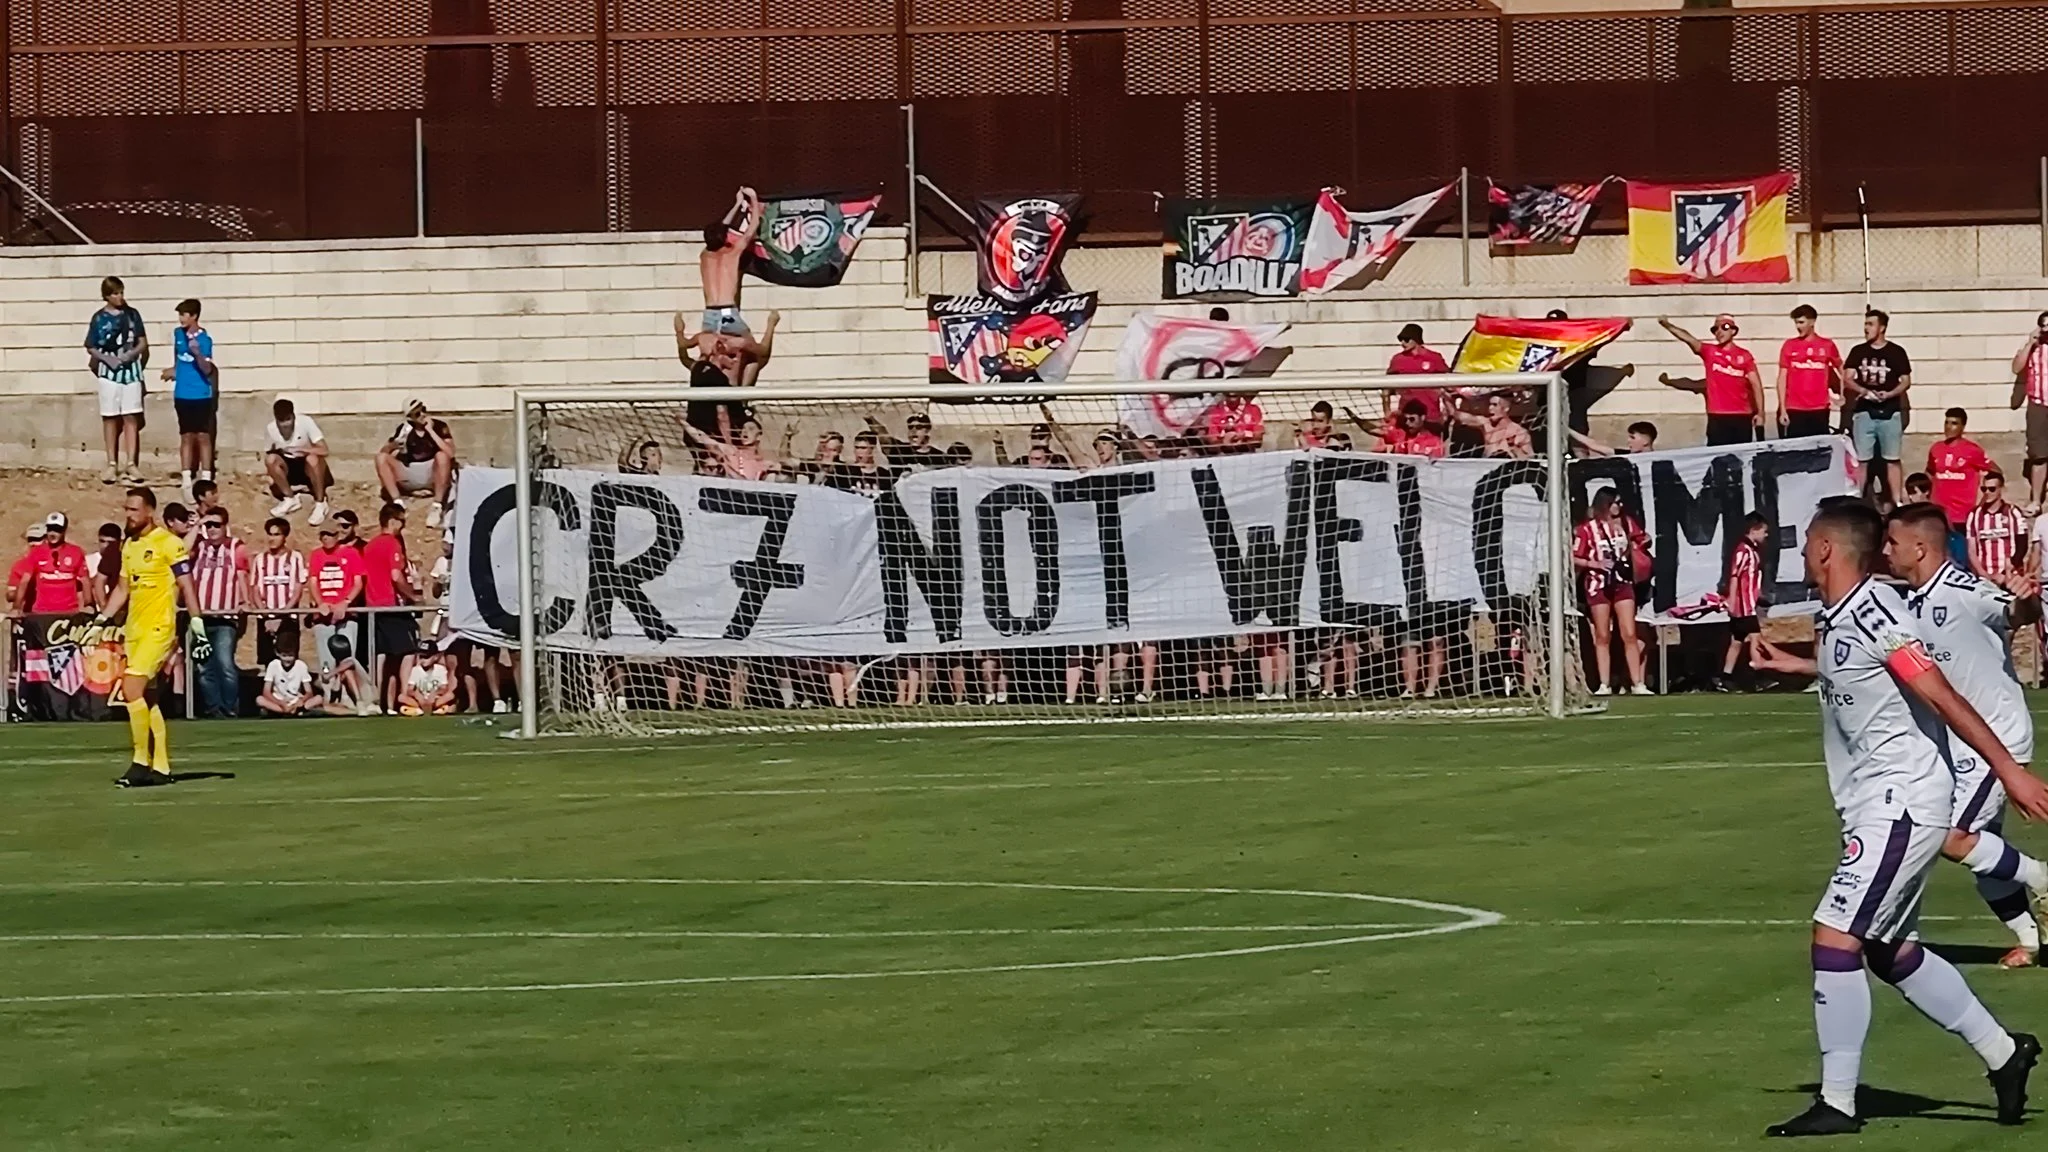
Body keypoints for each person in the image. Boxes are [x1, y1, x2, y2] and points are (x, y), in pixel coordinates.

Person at [1750, 499, 2048, 1136]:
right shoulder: (1842, 616)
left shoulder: (1877, 611)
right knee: (1889, 950)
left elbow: (1938, 692)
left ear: (1827, 550)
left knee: (1835, 937)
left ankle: (1838, 1102)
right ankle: (2004, 1054)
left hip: (1903, 802)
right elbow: (1861, 676)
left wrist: (2007, 770)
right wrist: (1798, 665)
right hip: (1872, 803)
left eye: (1807, 543)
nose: (1803, 554)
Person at [1885, 502, 2048, 969]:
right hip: (1957, 743)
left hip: (1994, 735)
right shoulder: (1909, 601)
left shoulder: (1962, 588)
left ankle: (2042, 876)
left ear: (1920, 548)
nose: (1887, 551)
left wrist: (2024, 598)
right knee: (1984, 856)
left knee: (1951, 835)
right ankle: (2031, 941)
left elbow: (2014, 612)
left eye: (1893, 542)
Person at [96, 487, 200, 788]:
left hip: (160, 628)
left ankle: (140, 761)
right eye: (126, 509)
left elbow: (187, 584)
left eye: (134, 510)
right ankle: (162, 767)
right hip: (135, 630)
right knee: (147, 698)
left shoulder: (169, 543)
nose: (128, 515)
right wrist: (102, 619)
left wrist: (197, 622)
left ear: (149, 512)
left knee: (131, 687)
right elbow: (122, 590)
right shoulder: (129, 545)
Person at [1572, 488, 1652, 697]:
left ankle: (1637, 682)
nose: (1619, 506)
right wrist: (1594, 563)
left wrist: (1639, 547)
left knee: (1629, 632)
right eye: (1615, 502)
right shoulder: (1587, 529)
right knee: (1602, 634)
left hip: (1623, 583)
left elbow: (1642, 539)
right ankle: (1604, 683)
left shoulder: (1626, 523)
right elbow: (1574, 556)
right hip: (1597, 584)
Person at [1656, 314, 1764, 445]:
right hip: (1718, 415)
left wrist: (1761, 413)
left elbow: (1756, 385)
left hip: (1741, 415)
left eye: (1724, 327)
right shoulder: (1710, 352)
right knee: (1717, 460)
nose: (1719, 332)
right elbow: (1688, 339)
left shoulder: (1744, 355)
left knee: (1740, 459)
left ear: (1733, 331)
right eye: (1715, 329)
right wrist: (1667, 325)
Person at [1844, 309, 1914, 509]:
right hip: (1864, 412)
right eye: (1865, 324)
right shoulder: (1858, 351)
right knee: (1863, 460)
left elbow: (1906, 381)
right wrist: (1863, 390)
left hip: (1890, 413)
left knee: (1892, 459)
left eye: (1870, 324)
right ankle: (1858, 499)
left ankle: (1897, 501)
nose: (1866, 328)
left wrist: (1890, 394)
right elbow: (1847, 377)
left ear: (1882, 328)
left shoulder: (1896, 351)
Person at [188, 506, 250, 719]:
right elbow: (181, 554)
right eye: (208, 525)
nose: (212, 529)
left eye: (216, 525)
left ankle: (231, 708)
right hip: (200, 617)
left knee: (225, 664)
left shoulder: (236, 547)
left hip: (225, 617)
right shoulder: (199, 547)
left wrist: (244, 600)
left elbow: (242, 575)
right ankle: (213, 709)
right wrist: (196, 526)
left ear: (225, 526)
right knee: (204, 668)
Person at [85, 276, 148, 485]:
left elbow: (142, 342)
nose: (119, 297)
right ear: (106, 296)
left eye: (121, 292)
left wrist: (131, 356)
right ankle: (112, 463)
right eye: (114, 293)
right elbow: (91, 345)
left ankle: (131, 463)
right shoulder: (98, 318)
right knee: (110, 417)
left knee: (131, 416)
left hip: (130, 371)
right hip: (108, 372)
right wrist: (107, 359)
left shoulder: (132, 315)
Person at [361, 502, 421, 713]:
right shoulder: (392, 544)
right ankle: (405, 694)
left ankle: (376, 699)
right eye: (401, 522)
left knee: (380, 654)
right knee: (409, 650)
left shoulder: (369, 546)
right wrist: (413, 595)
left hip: (373, 606)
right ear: (392, 521)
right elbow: (396, 576)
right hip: (391, 605)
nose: (402, 528)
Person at [694, 186, 766, 362]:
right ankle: (742, 387)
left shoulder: (704, 256)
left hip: (710, 313)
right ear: (724, 238)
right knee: (755, 352)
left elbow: (721, 228)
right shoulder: (732, 253)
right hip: (728, 313)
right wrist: (753, 199)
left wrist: (737, 204)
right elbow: (753, 226)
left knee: (710, 357)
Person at [160, 298, 216, 494]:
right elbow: (177, 355)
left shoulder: (205, 340)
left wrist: (197, 353)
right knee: (186, 435)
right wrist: (174, 370)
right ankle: (186, 476)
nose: (181, 319)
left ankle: (207, 476)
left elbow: (207, 369)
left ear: (194, 316)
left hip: (200, 394)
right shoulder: (178, 334)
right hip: (182, 394)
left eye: (184, 314)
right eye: (180, 315)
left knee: (203, 436)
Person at [375, 400, 457, 529]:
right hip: (410, 470)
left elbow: (450, 453)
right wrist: (394, 445)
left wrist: (431, 431)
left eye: (423, 409)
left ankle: (437, 506)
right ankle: (398, 503)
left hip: (432, 471)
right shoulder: (404, 430)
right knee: (381, 458)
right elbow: (384, 451)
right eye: (418, 413)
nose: (423, 414)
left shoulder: (439, 426)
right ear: (411, 417)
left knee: (442, 456)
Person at [1928, 407, 1993, 568]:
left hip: (1962, 515)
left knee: (1962, 561)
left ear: (1963, 427)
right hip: (1940, 513)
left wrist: (1984, 499)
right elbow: (1929, 473)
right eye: (1947, 422)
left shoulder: (1972, 450)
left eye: (1954, 423)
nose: (1949, 427)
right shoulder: (1936, 449)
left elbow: (1994, 472)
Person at [306, 522, 365, 684]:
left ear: (337, 536)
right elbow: (313, 582)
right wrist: (320, 603)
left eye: (330, 535)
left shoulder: (351, 553)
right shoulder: (316, 555)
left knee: (347, 658)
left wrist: (345, 602)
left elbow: (358, 582)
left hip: (346, 613)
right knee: (326, 659)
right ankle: (328, 694)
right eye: (323, 535)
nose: (326, 538)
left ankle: (351, 697)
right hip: (323, 614)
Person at [1719, 514, 1769, 692]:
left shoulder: (1753, 551)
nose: (1766, 535)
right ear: (1754, 530)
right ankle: (1759, 675)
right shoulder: (1743, 551)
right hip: (1743, 606)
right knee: (1755, 638)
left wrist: (1759, 594)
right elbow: (1734, 576)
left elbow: (1752, 577)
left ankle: (1726, 677)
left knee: (1737, 641)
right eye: (1764, 531)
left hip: (1748, 603)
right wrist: (1732, 600)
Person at [1778, 304, 1843, 438]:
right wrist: (1783, 409)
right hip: (1795, 408)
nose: (1798, 327)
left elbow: (1843, 369)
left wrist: (1842, 394)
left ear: (1812, 322)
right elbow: (1782, 378)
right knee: (1797, 452)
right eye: (1796, 323)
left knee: (1820, 451)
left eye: (1801, 322)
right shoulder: (1789, 345)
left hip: (1819, 408)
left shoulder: (1827, 345)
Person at [264, 397, 332, 525]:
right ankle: (290, 499)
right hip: (288, 465)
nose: (285, 424)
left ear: (293, 416)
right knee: (270, 460)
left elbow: (324, 450)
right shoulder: (271, 429)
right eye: (281, 421)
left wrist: (304, 449)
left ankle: (320, 502)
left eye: (288, 420)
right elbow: (269, 451)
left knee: (313, 459)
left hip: (306, 463)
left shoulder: (306, 422)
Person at [251, 516, 308, 667]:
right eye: (270, 534)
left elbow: (298, 588)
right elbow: (255, 588)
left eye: (276, 534)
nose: (272, 538)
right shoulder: (260, 559)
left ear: (284, 537)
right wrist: (265, 615)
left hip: (288, 617)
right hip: (265, 619)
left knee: (288, 661)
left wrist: (281, 616)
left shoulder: (295, 558)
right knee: (268, 663)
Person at [2011, 310, 2048, 514]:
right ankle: (2036, 500)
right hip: (2039, 405)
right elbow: (2017, 368)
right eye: (2044, 326)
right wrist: (2030, 343)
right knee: (2039, 455)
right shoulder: (2033, 349)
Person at [19, 514, 88, 618]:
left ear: (64, 530)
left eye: (57, 530)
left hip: (69, 612)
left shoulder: (76, 552)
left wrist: (89, 604)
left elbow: (85, 580)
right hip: (41, 612)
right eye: (50, 529)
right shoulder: (36, 552)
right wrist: (16, 607)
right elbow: (24, 581)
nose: (52, 533)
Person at [1385, 324, 1450, 431]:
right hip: (1407, 416)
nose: (1402, 343)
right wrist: (1387, 411)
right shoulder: (1398, 359)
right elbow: (1385, 386)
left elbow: (1448, 384)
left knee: (1433, 445)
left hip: (1431, 414)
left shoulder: (1434, 357)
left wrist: (1448, 409)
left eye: (1406, 339)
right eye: (1401, 340)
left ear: (1416, 339)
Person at [1967, 471, 2029, 583]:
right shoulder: (1974, 515)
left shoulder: (2013, 512)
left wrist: (2007, 571)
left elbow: (2022, 545)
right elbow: (1971, 549)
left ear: (2001, 489)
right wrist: (1983, 574)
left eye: (1992, 489)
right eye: (1984, 489)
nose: (1987, 492)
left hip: (2011, 574)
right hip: (1984, 576)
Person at [257, 624, 320, 717]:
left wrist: (301, 701)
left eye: (290, 655)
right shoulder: (273, 665)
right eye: (284, 656)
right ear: (277, 653)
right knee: (259, 700)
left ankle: (288, 711)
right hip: (279, 701)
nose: (288, 659)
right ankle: (289, 712)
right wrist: (280, 703)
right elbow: (266, 692)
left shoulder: (301, 665)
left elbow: (309, 692)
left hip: (296, 701)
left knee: (318, 699)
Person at [683, 416, 771, 480]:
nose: (745, 431)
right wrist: (682, 422)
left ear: (759, 436)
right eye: (743, 429)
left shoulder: (765, 463)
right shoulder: (731, 451)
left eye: (751, 429)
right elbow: (701, 438)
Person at [1452, 392, 1532, 459]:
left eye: (1494, 405)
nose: (1490, 408)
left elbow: (1529, 459)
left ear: (1506, 408)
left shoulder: (1519, 432)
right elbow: (1457, 415)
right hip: (1487, 470)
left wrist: (1513, 447)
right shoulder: (1486, 424)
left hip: (1508, 471)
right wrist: (1445, 396)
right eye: (1489, 404)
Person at [866, 413, 947, 472]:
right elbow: (883, 436)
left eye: (919, 427)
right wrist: (870, 419)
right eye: (910, 427)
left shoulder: (939, 457)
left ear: (927, 431)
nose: (913, 430)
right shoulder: (900, 450)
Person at [398, 640, 458, 716]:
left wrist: (435, 693)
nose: (423, 660)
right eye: (421, 657)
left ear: (435, 657)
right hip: (420, 700)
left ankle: (434, 709)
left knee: (450, 695)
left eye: (426, 657)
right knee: (401, 697)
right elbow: (410, 689)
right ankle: (420, 709)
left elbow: (444, 688)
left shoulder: (440, 669)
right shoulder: (415, 670)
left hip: (435, 699)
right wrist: (417, 695)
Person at [1569, 420, 1659, 458]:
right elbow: (1593, 445)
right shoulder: (1625, 456)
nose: (1628, 441)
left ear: (1645, 441)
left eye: (1633, 437)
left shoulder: (1661, 460)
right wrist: (1567, 430)